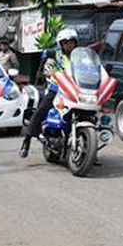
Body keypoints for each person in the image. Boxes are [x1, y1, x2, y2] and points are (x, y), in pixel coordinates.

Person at [18, 28, 79, 158]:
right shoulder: (55, 56)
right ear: (61, 44)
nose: (69, 45)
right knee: (41, 110)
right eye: (66, 42)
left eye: (72, 42)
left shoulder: (79, 57)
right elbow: (48, 68)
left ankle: (90, 150)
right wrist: (50, 71)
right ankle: (26, 140)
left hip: (76, 91)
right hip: (58, 90)